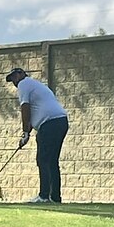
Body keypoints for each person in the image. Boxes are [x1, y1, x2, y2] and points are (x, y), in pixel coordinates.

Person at [5, 67, 69, 203]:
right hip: (61, 121)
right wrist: (27, 132)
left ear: (21, 74)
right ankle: (55, 197)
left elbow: (25, 108)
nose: (14, 82)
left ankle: (44, 196)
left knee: (43, 160)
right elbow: (35, 113)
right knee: (52, 161)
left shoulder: (24, 83)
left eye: (14, 77)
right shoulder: (37, 85)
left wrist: (25, 133)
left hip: (50, 123)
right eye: (12, 80)